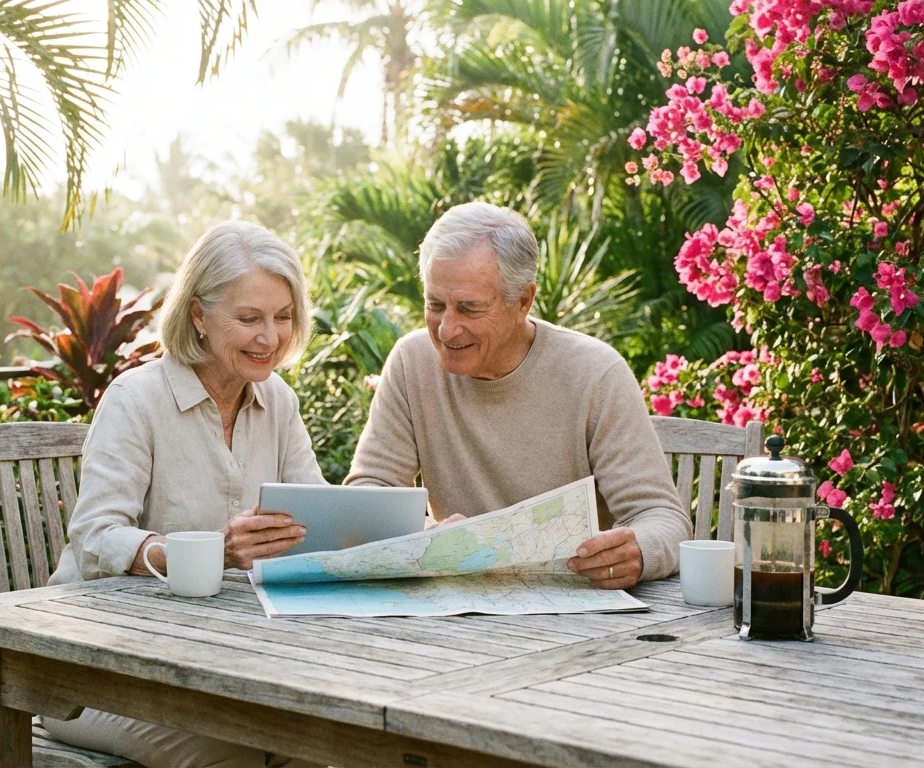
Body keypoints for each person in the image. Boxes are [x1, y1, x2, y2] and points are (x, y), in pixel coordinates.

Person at [44, 221, 323, 768]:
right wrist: (202, 553)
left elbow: (317, 514)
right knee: (235, 751)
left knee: (318, 741)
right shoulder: (135, 399)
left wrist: (415, 535)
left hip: (216, 664)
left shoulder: (278, 402)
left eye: (283, 317)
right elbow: (96, 539)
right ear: (199, 314)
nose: (271, 337)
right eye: (249, 319)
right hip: (97, 674)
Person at [345, 202, 690, 587]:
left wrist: (636, 551)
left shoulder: (596, 373)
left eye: (469, 308)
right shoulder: (412, 362)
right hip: (452, 603)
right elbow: (368, 494)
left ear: (523, 301)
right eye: (435, 305)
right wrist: (428, 534)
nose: (446, 330)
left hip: (574, 609)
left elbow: (663, 518)